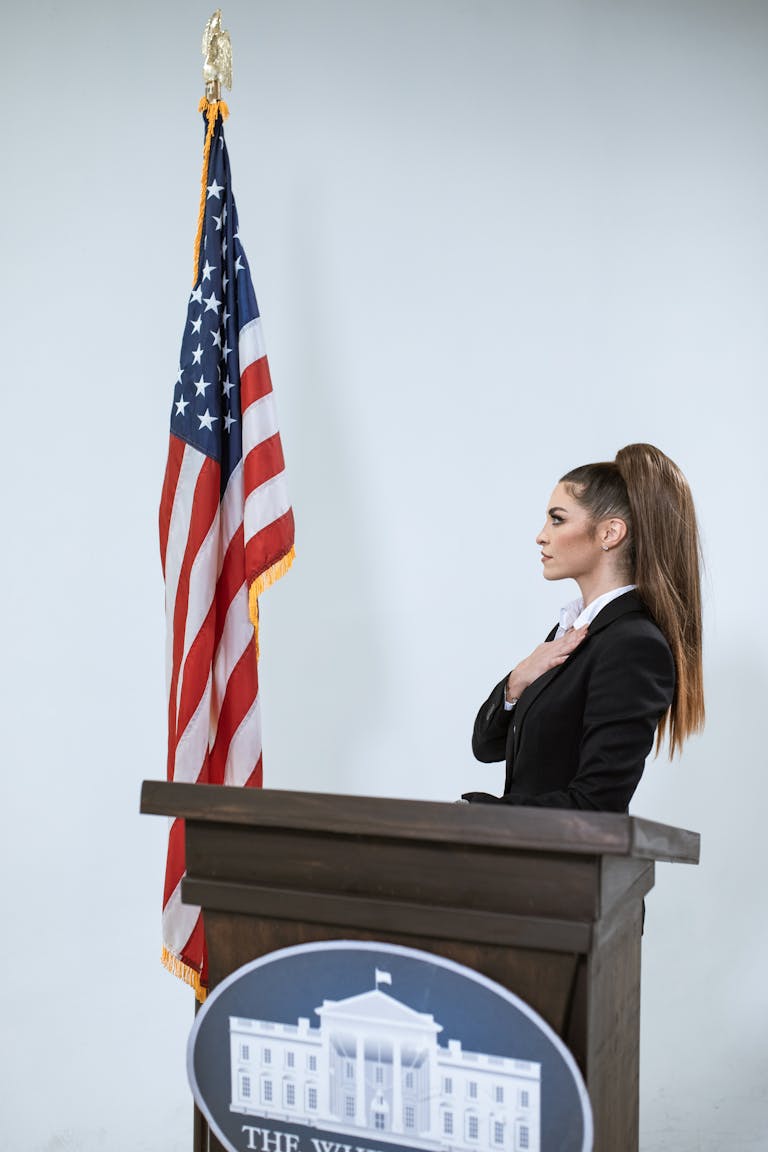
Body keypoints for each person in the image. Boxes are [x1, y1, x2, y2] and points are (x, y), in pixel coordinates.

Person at [463, 443, 704, 812]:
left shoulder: (633, 645)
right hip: (535, 859)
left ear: (610, 533)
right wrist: (518, 680)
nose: (541, 536)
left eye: (557, 519)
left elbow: (598, 803)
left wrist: (493, 813)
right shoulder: (574, 634)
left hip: (566, 866)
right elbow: (487, 746)